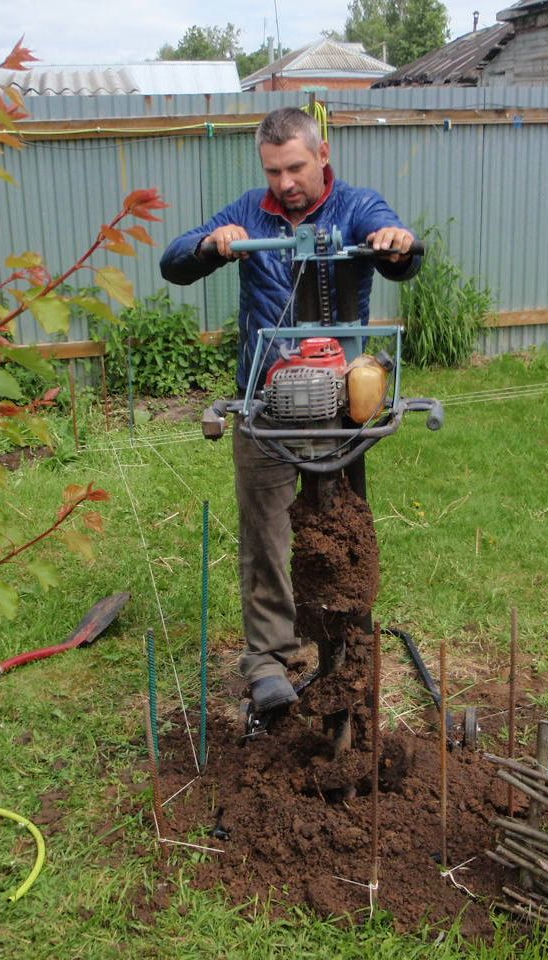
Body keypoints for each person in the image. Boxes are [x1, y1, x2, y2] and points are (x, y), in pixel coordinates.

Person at [160, 106, 422, 714]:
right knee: (265, 533)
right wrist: (209, 245)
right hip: (267, 398)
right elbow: (175, 262)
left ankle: (347, 647)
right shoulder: (249, 212)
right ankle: (268, 659)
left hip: (338, 405)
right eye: (273, 170)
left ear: (322, 155)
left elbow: (399, 248)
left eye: (296, 167)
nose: (284, 183)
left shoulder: (357, 206)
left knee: (343, 527)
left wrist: (394, 245)